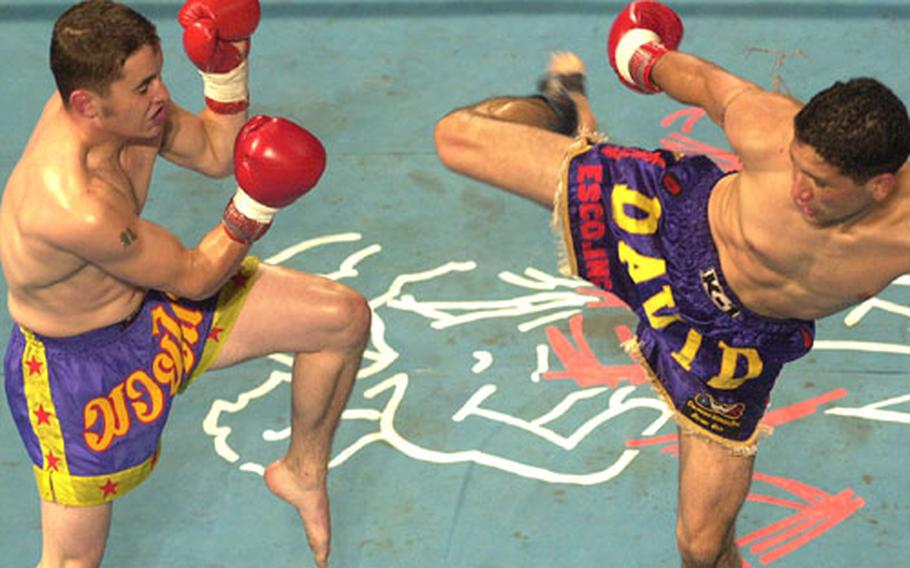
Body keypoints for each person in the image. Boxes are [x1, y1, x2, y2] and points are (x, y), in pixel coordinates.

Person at [433, 1, 910, 566]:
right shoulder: (767, 125)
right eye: (796, 165)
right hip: (660, 226)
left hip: (733, 346)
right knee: (455, 137)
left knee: (702, 547)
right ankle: (558, 109)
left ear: (879, 187)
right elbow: (702, 81)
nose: (797, 187)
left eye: (821, 183)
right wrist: (642, 54)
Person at [0, 1, 370, 567]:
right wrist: (257, 203)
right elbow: (197, 276)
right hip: (79, 370)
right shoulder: (72, 205)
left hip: (155, 309)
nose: (160, 95)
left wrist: (227, 69)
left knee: (340, 319)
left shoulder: (122, 109)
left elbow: (217, 151)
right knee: (74, 561)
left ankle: (301, 471)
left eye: (158, 76)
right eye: (144, 85)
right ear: (86, 105)